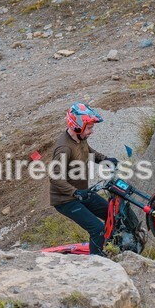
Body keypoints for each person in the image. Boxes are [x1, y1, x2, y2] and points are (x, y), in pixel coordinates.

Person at [49, 103, 118, 255]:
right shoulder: (64, 148)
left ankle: (114, 248)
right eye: (89, 128)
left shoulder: (80, 138)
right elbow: (54, 177)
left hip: (81, 193)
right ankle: (96, 262)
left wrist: (105, 160)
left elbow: (88, 152)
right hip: (66, 200)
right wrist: (75, 192)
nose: (91, 131)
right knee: (98, 230)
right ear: (77, 126)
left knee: (112, 214)